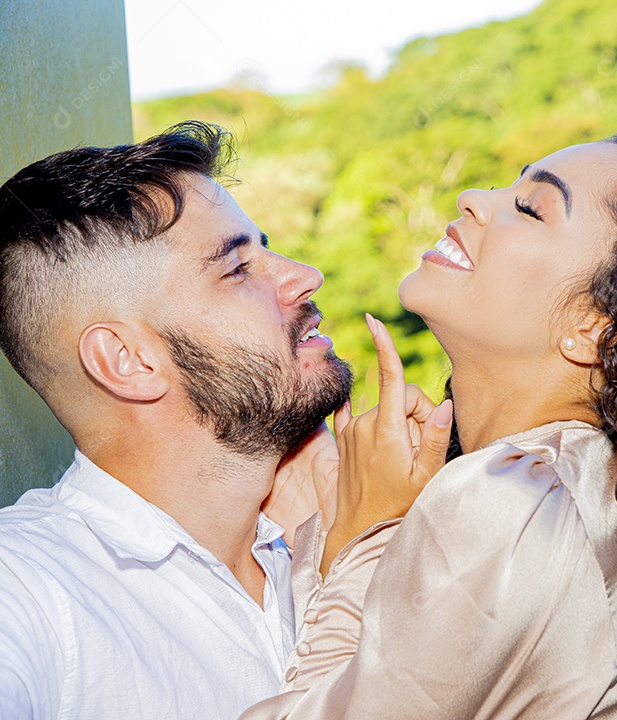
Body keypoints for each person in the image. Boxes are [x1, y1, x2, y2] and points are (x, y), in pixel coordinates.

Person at [244, 124, 617, 720]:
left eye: (531, 209)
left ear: (594, 331)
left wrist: (362, 539)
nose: (473, 200)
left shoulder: (505, 499)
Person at [0, 122, 451, 719]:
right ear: (130, 362)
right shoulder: (26, 590)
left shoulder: (322, 535)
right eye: (237, 268)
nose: (305, 275)